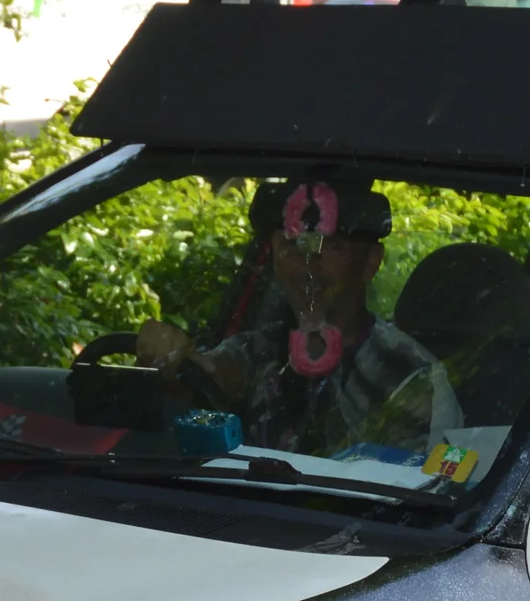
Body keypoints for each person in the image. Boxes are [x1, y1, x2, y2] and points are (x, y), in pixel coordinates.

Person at [137, 177, 460, 457]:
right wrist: (172, 359)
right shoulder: (261, 348)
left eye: (330, 247)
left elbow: (419, 499)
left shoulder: (411, 376)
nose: (307, 265)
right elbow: (213, 376)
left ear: (370, 263)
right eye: (292, 246)